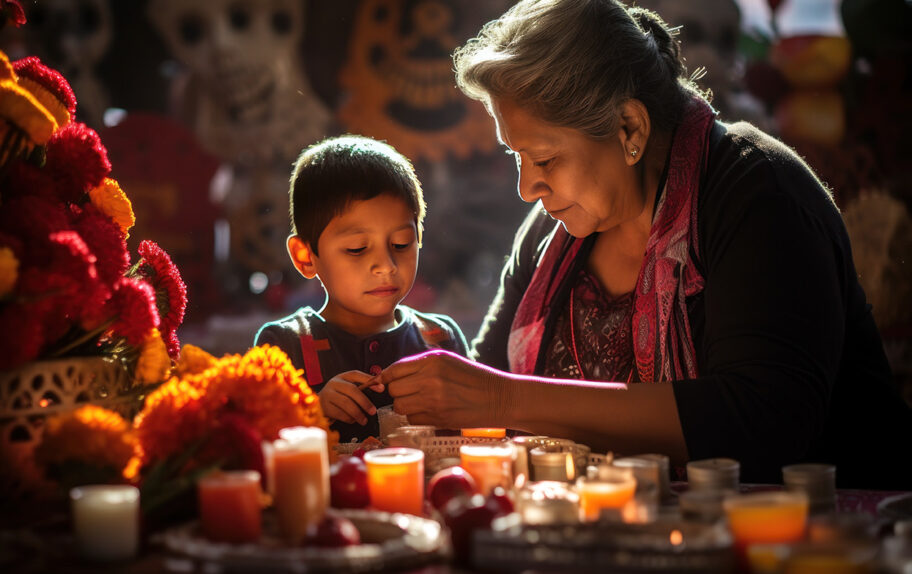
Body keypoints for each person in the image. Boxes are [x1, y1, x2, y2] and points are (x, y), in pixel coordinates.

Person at [375, 0, 912, 489]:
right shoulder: (554, 233)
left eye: (543, 159)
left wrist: (502, 398)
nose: (527, 188)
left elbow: (761, 423)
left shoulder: (759, 194)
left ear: (630, 127)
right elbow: (484, 381)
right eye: (517, 158)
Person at [254, 135, 468, 443]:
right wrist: (313, 410)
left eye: (401, 244)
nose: (386, 265)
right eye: (357, 248)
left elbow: (479, 431)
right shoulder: (284, 346)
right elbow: (255, 443)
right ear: (305, 256)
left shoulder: (440, 339)